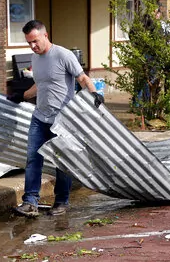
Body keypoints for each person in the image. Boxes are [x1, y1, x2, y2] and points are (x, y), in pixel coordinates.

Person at [7, 20, 104, 217]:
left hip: (62, 120)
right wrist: (22, 96)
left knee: (62, 162)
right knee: (33, 158)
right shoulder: (35, 59)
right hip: (39, 117)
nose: (33, 46)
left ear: (45, 35)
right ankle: (30, 202)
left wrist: (94, 94)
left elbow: (82, 78)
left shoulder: (63, 55)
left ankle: (61, 202)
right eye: (29, 43)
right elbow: (40, 85)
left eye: (35, 41)